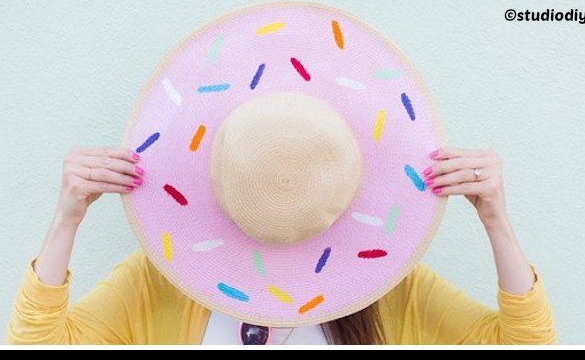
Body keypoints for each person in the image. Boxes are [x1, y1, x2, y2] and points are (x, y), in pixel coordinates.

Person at [5, 145, 556, 345]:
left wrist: (497, 223)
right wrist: (65, 221)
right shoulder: (160, 283)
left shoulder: (386, 286)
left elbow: (524, 346)